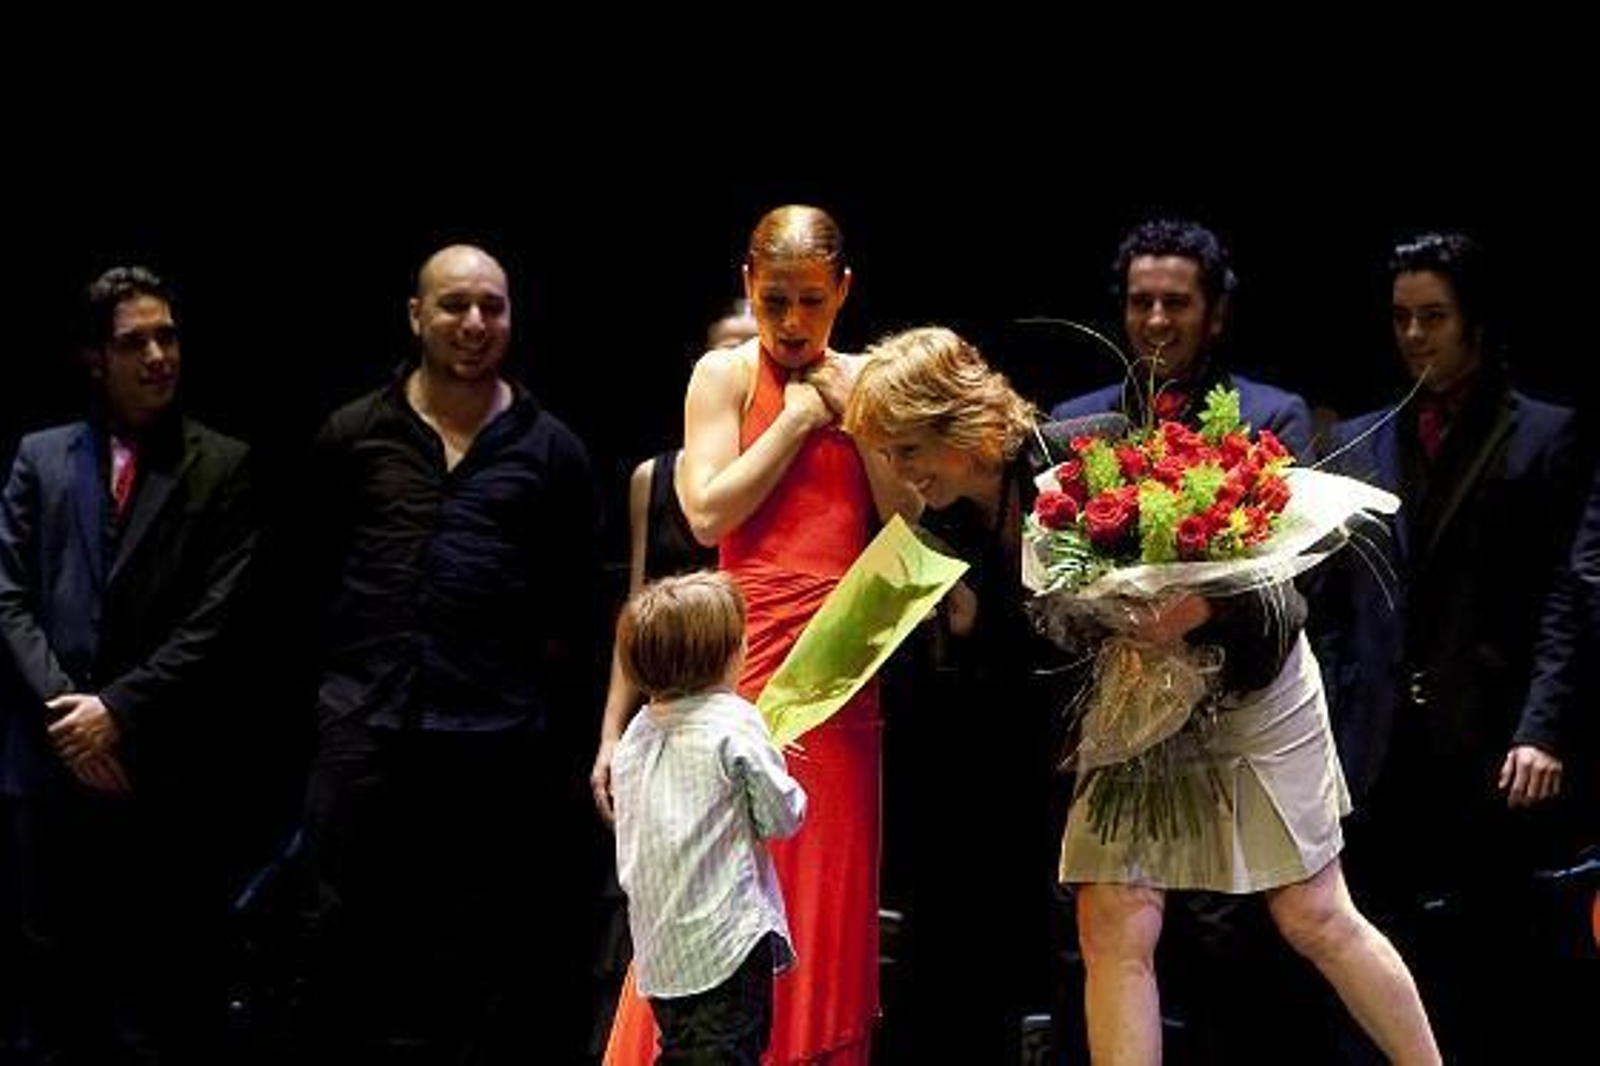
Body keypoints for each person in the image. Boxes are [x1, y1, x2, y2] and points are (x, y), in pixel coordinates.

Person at [848, 326, 1441, 1066]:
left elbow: (1257, 586)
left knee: (1313, 913)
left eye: (907, 450)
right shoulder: (950, 525)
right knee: (1113, 919)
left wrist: (1198, 611)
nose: (901, 473)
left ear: (955, 427)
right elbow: (1024, 659)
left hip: (1246, 684)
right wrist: (969, 631)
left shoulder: (1085, 454)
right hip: (1136, 706)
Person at [604, 205, 914, 1065]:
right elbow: (705, 513)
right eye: (773, 299)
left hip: (845, 660)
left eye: (811, 301)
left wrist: (862, 417)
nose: (790, 323)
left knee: (826, 882)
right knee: (721, 875)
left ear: (843, 291)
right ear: (747, 282)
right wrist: (796, 419)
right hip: (747, 662)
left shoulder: (863, 380)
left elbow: (902, 520)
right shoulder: (724, 374)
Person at [285, 242, 599, 1063]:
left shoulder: (552, 449)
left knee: (486, 947)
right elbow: (301, 573)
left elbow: (574, 599)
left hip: (495, 739)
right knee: (335, 935)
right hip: (366, 724)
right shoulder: (352, 433)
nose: (474, 323)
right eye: (455, 305)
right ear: (416, 316)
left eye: (491, 306)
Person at [1049, 217, 1335, 1062]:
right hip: (1113, 721)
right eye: (1142, 302)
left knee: (1240, 937)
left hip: (1234, 717)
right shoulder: (1078, 426)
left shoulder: (1271, 416)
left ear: (1214, 312)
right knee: (1103, 933)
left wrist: (1198, 617)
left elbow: (1297, 581)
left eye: (1178, 301)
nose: (1158, 319)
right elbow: (1052, 589)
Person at [1312, 231, 1589, 1063]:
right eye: (1401, 318)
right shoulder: (1358, 439)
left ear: (1475, 322)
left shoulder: (1547, 434)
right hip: (1378, 741)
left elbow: (1567, 595)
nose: (1415, 336)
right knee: (1375, 945)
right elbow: (1330, 604)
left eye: (1435, 317)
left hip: (1492, 734)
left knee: (1490, 951)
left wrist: (1542, 727)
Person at [0, 264, 255, 1064]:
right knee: (56, 980)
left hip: (164, 768)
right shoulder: (40, 457)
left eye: (168, 336)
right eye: (133, 341)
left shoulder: (222, 463)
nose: (157, 355)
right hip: (51, 765)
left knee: (167, 990)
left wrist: (119, 713)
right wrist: (72, 717)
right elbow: (10, 600)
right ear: (94, 358)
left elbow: (218, 619)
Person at [584, 299, 754, 1054]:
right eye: (726, 356)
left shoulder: (794, 465)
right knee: (655, 902)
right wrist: (609, 732)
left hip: (744, 715)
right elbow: (637, 612)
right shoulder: (655, 479)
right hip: (668, 733)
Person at [611, 570, 807, 1065]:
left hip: (664, 947)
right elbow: (781, 817)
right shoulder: (732, 720)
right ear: (726, 654)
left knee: (680, 1049)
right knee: (727, 1051)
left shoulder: (637, 732)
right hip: (727, 943)